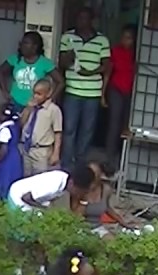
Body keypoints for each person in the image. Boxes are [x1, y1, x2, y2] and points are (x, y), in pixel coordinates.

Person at [58, 8, 111, 170]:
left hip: (93, 93)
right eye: (79, 18)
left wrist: (90, 72)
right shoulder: (68, 37)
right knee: (69, 130)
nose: (81, 22)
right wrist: (69, 57)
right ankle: (67, 166)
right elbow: (62, 64)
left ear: (91, 20)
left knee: (87, 132)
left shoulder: (102, 40)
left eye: (84, 19)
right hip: (72, 91)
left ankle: (80, 165)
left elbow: (107, 66)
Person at [0, 31, 57, 113]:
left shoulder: (45, 63)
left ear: (35, 47)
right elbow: (0, 71)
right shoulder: (15, 59)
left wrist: (50, 98)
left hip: (34, 105)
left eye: (26, 43)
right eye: (22, 43)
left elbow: (60, 82)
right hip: (15, 102)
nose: (22, 45)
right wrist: (4, 91)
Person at [103, 25, 136, 163]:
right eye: (123, 37)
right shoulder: (115, 51)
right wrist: (103, 94)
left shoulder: (137, 53)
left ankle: (125, 159)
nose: (125, 41)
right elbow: (108, 72)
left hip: (132, 92)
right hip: (116, 89)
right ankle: (109, 158)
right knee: (114, 124)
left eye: (128, 38)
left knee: (128, 125)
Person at [18, 76, 63, 176]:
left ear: (48, 94)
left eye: (39, 94)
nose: (35, 96)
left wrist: (56, 154)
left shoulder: (53, 110)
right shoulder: (31, 107)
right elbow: (21, 123)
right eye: (34, 93)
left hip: (42, 151)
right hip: (27, 148)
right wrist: (28, 109)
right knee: (26, 177)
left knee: (39, 178)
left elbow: (58, 133)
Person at [7, 165, 78, 212]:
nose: (77, 194)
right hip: (17, 197)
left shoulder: (65, 180)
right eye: (77, 191)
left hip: (31, 197)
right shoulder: (53, 185)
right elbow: (26, 198)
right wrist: (45, 209)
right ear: (72, 183)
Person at [0, 104, 23, 200]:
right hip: (15, 157)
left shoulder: (4, 130)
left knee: (3, 181)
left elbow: (4, 149)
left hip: (7, 160)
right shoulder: (14, 126)